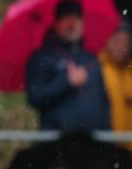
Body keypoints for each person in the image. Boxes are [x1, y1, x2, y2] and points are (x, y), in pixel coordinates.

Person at [26, 0, 110, 132]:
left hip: (93, 144)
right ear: (57, 23)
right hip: (56, 143)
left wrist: (108, 139)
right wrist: (67, 82)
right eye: (66, 18)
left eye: (76, 18)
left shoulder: (92, 60)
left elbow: (105, 103)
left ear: (83, 23)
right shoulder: (42, 57)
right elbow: (35, 96)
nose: (72, 23)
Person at [99, 21, 132, 162]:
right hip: (102, 149)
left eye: (127, 42)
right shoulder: (97, 67)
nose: (122, 47)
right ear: (107, 39)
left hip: (131, 153)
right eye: (117, 40)